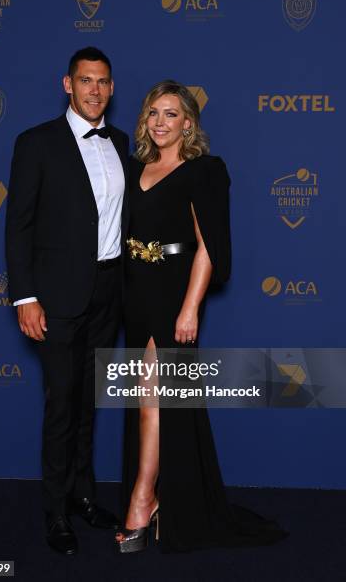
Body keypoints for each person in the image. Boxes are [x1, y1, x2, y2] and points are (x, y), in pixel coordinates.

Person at [115, 80, 288, 553]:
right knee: (151, 397)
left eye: (171, 114)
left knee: (155, 394)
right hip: (135, 289)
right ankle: (158, 497)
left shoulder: (204, 171)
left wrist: (190, 306)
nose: (160, 122)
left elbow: (208, 244)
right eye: (154, 112)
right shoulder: (135, 168)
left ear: (188, 122)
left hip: (174, 291)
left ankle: (143, 497)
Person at [5, 47, 129, 555]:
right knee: (61, 405)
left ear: (111, 88)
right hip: (55, 297)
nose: (94, 90)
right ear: (67, 84)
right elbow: (19, 226)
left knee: (87, 404)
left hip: (108, 292)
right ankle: (55, 511)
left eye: (102, 82)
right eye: (85, 81)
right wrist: (25, 297)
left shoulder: (122, 142)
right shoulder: (36, 143)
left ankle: (84, 495)